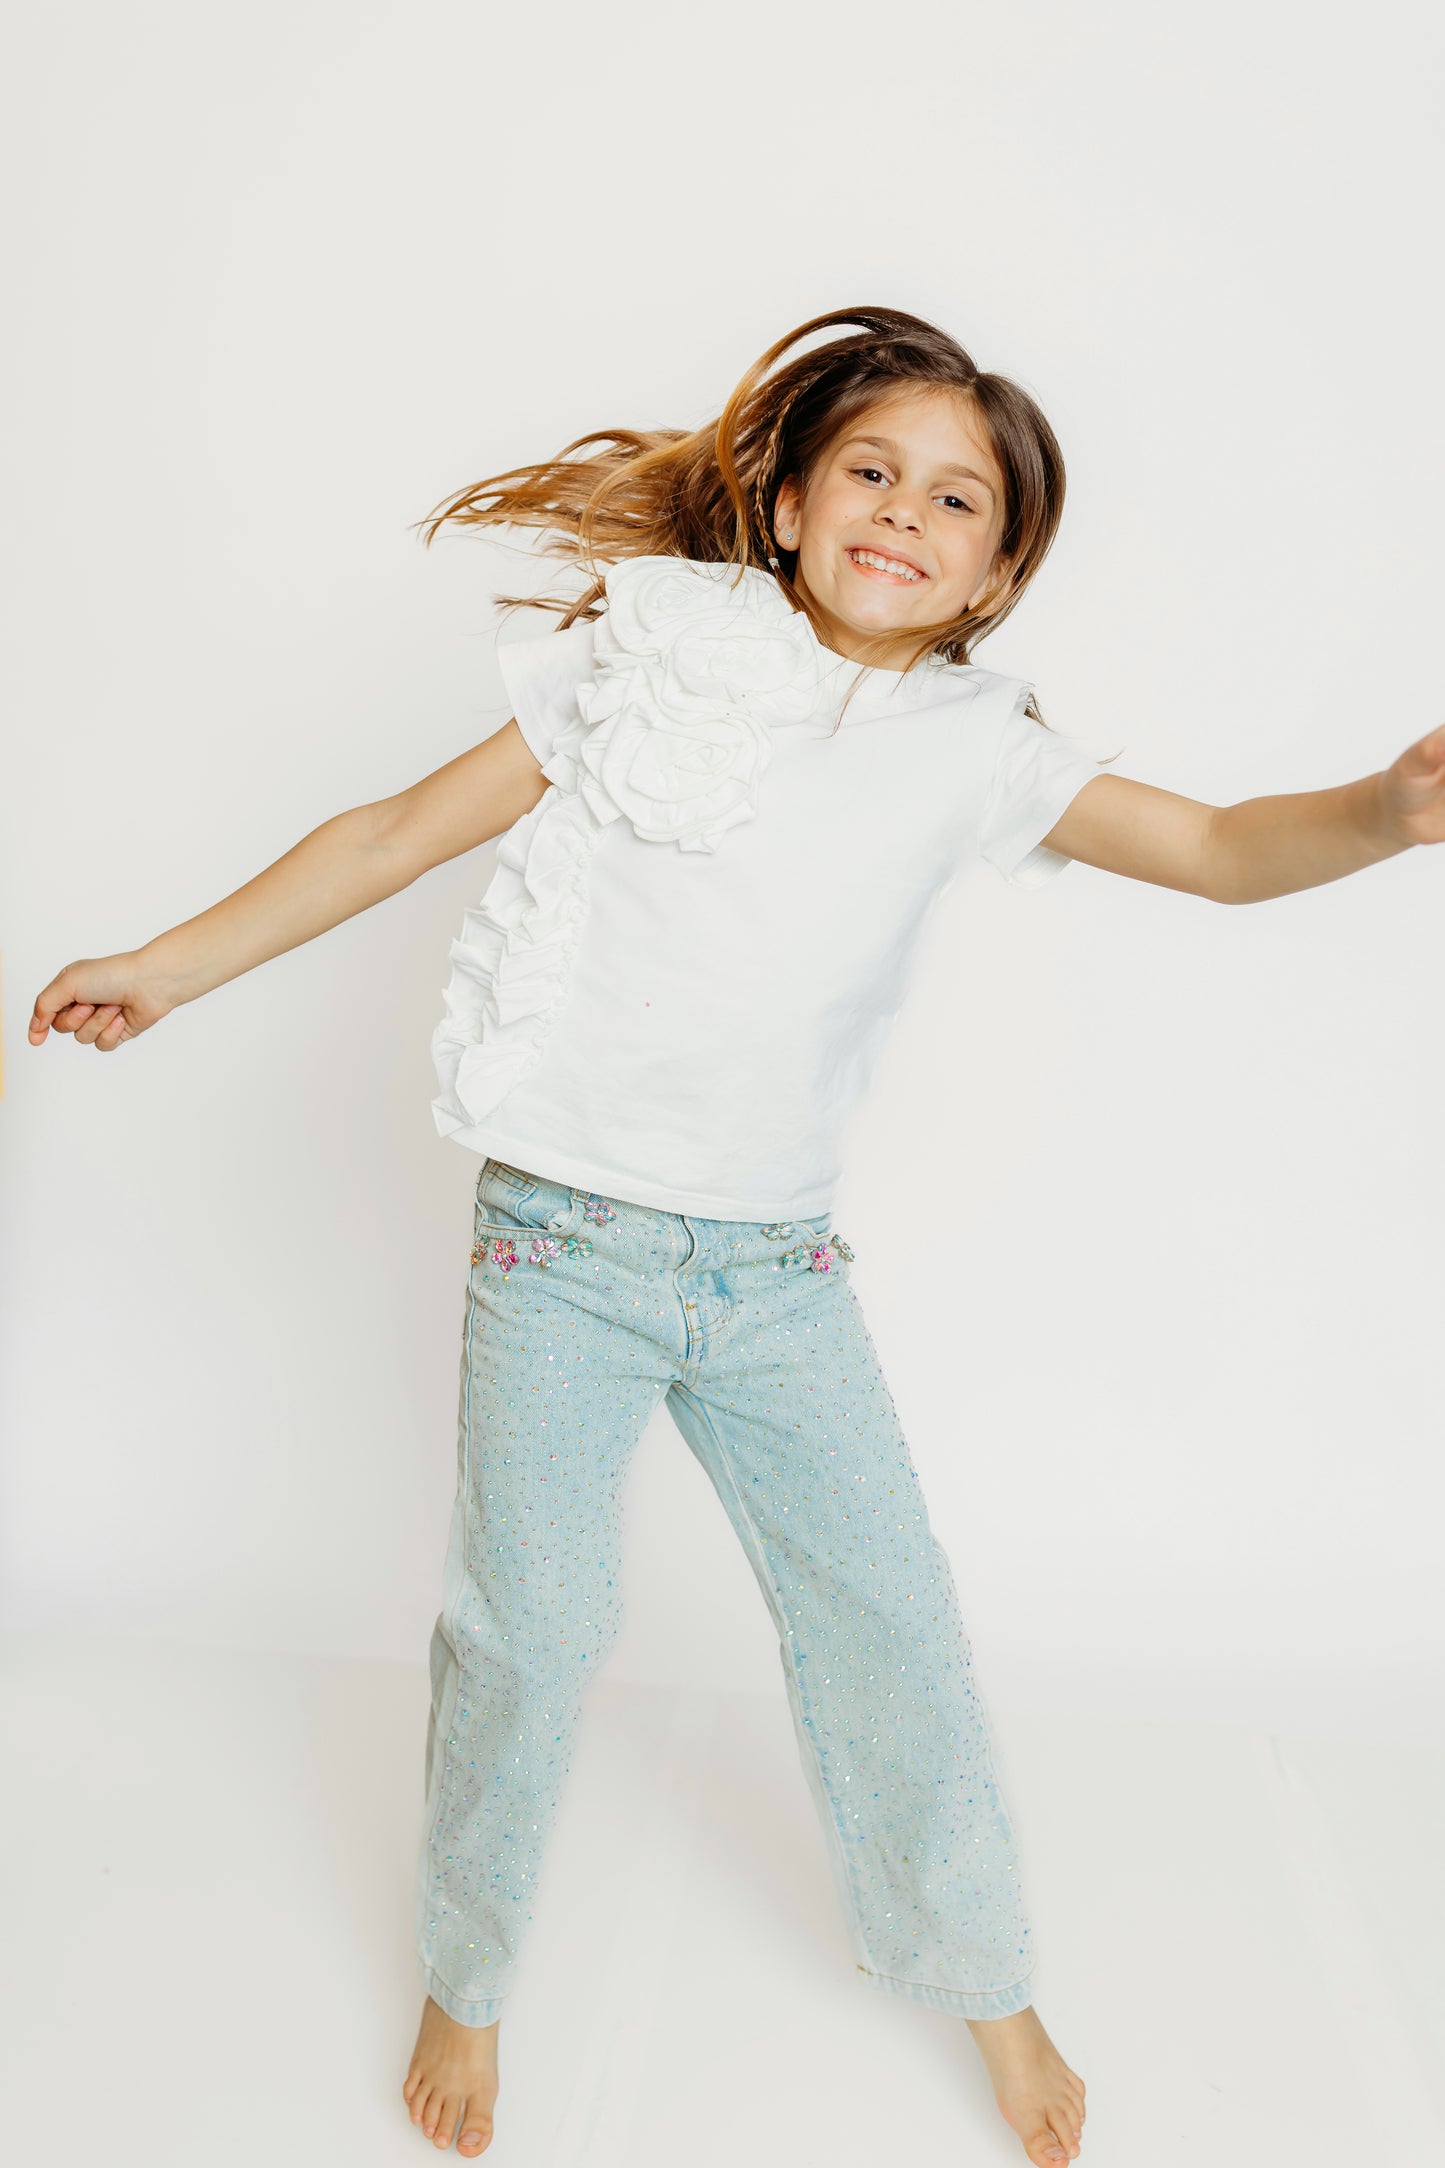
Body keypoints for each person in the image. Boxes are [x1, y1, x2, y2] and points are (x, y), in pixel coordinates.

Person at [28, 306, 1445, 2166]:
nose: (904, 514)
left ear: (995, 568)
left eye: (957, 501)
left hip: (772, 1280)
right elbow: (388, 834)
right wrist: (168, 966)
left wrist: (1386, 811)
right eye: (871, 472)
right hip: (559, 1254)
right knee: (529, 1635)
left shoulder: (976, 745)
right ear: (783, 505)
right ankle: (471, 1972)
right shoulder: (649, 658)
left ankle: (981, 1978)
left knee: (890, 1625)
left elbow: (1215, 848)